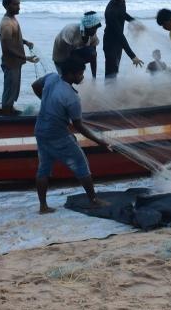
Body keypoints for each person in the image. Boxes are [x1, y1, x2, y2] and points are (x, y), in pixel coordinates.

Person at [31, 59, 112, 214]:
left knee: (44, 168)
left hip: (40, 130)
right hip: (58, 135)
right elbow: (78, 126)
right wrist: (99, 142)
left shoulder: (51, 77)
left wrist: (44, 102)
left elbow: (35, 86)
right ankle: (93, 200)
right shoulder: (72, 97)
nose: (82, 77)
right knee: (81, 163)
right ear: (70, 74)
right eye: (80, 74)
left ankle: (43, 206)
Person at [0, 0, 38, 113]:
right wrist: (26, 57)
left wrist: (25, 42)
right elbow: (7, 48)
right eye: (15, 4)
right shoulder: (6, 24)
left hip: (16, 62)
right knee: (9, 90)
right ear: (6, 5)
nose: (19, 7)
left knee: (14, 90)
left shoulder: (13, 19)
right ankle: (5, 115)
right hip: (10, 63)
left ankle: (9, 109)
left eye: (19, 4)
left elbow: (15, 37)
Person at [103, 0, 144, 78]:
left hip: (118, 43)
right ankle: (108, 93)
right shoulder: (110, 11)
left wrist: (134, 22)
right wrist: (132, 56)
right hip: (110, 43)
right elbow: (120, 36)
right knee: (111, 72)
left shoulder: (121, 1)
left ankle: (112, 92)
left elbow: (123, 14)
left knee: (116, 69)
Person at [52, 12, 102, 77]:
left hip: (75, 54)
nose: (95, 31)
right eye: (93, 29)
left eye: (96, 29)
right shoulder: (70, 32)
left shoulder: (92, 35)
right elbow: (67, 58)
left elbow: (93, 56)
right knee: (66, 80)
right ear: (87, 27)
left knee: (92, 53)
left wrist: (94, 77)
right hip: (61, 57)